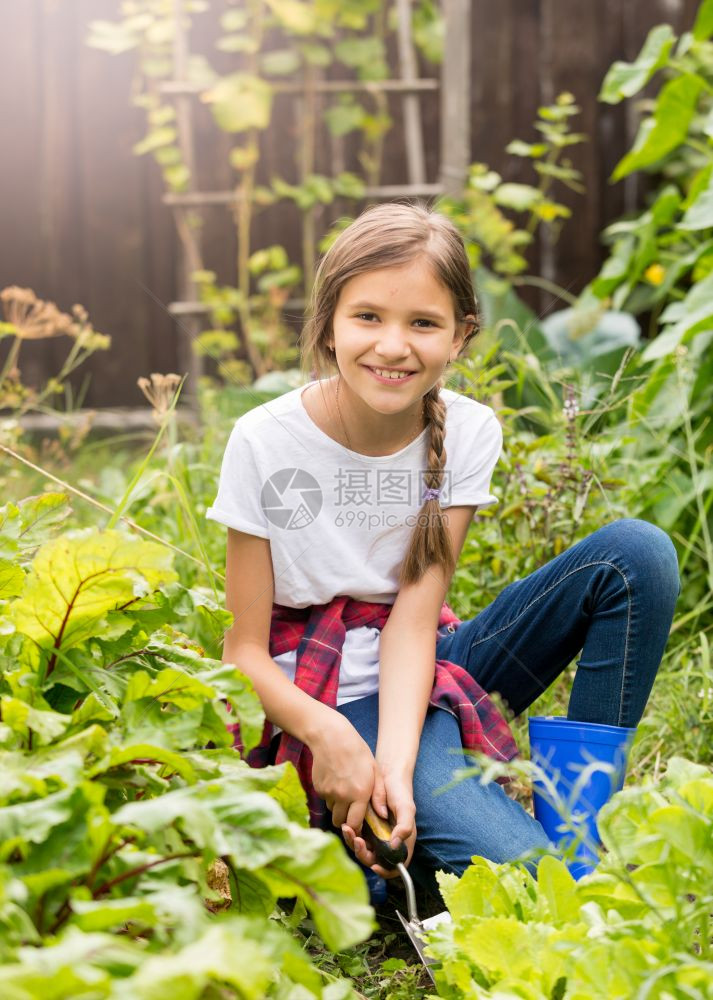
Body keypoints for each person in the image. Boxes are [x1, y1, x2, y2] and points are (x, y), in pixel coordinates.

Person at [206, 201, 681, 898]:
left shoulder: (467, 429)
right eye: (367, 317)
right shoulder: (264, 440)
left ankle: (579, 835)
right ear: (328, 323)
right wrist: (332, 736)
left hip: (423, 661)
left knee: (634, 556)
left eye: (422, 323)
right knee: (525, 885)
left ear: (458, 337)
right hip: (320, 690)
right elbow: (243, 651)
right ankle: (419, 863)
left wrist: (395, 766)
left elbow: (412, 619)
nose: (392, 346)